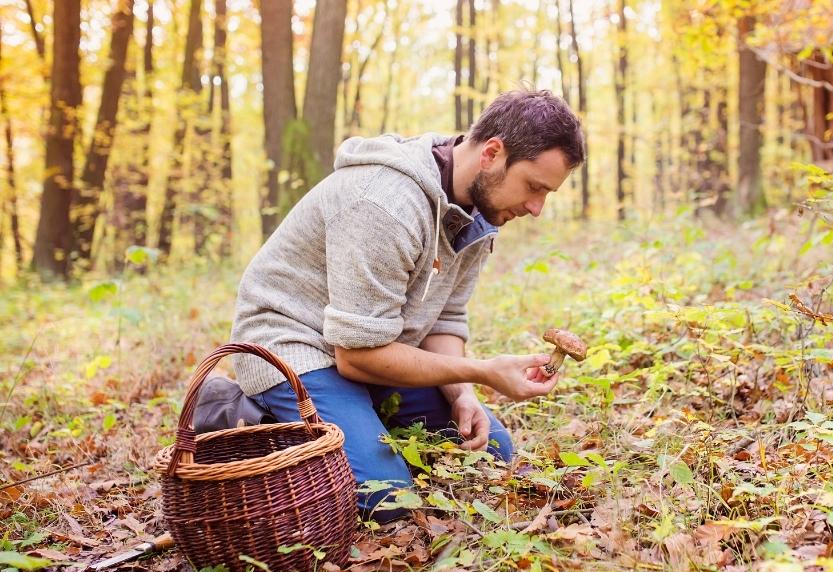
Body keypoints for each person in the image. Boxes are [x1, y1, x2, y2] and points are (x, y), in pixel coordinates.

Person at [226, 90, 586, 522]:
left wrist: (463, 394)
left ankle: (357, 420)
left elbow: (446, 317)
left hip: (374, 350)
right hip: (293, 348)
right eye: (533, 187)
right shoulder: (384, 204)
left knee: (493, 452)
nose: (536, 208)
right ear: (492, 153)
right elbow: (358, 356)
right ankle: (254, 421)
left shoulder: (483, 210)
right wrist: (482, 371)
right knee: (389, 499)